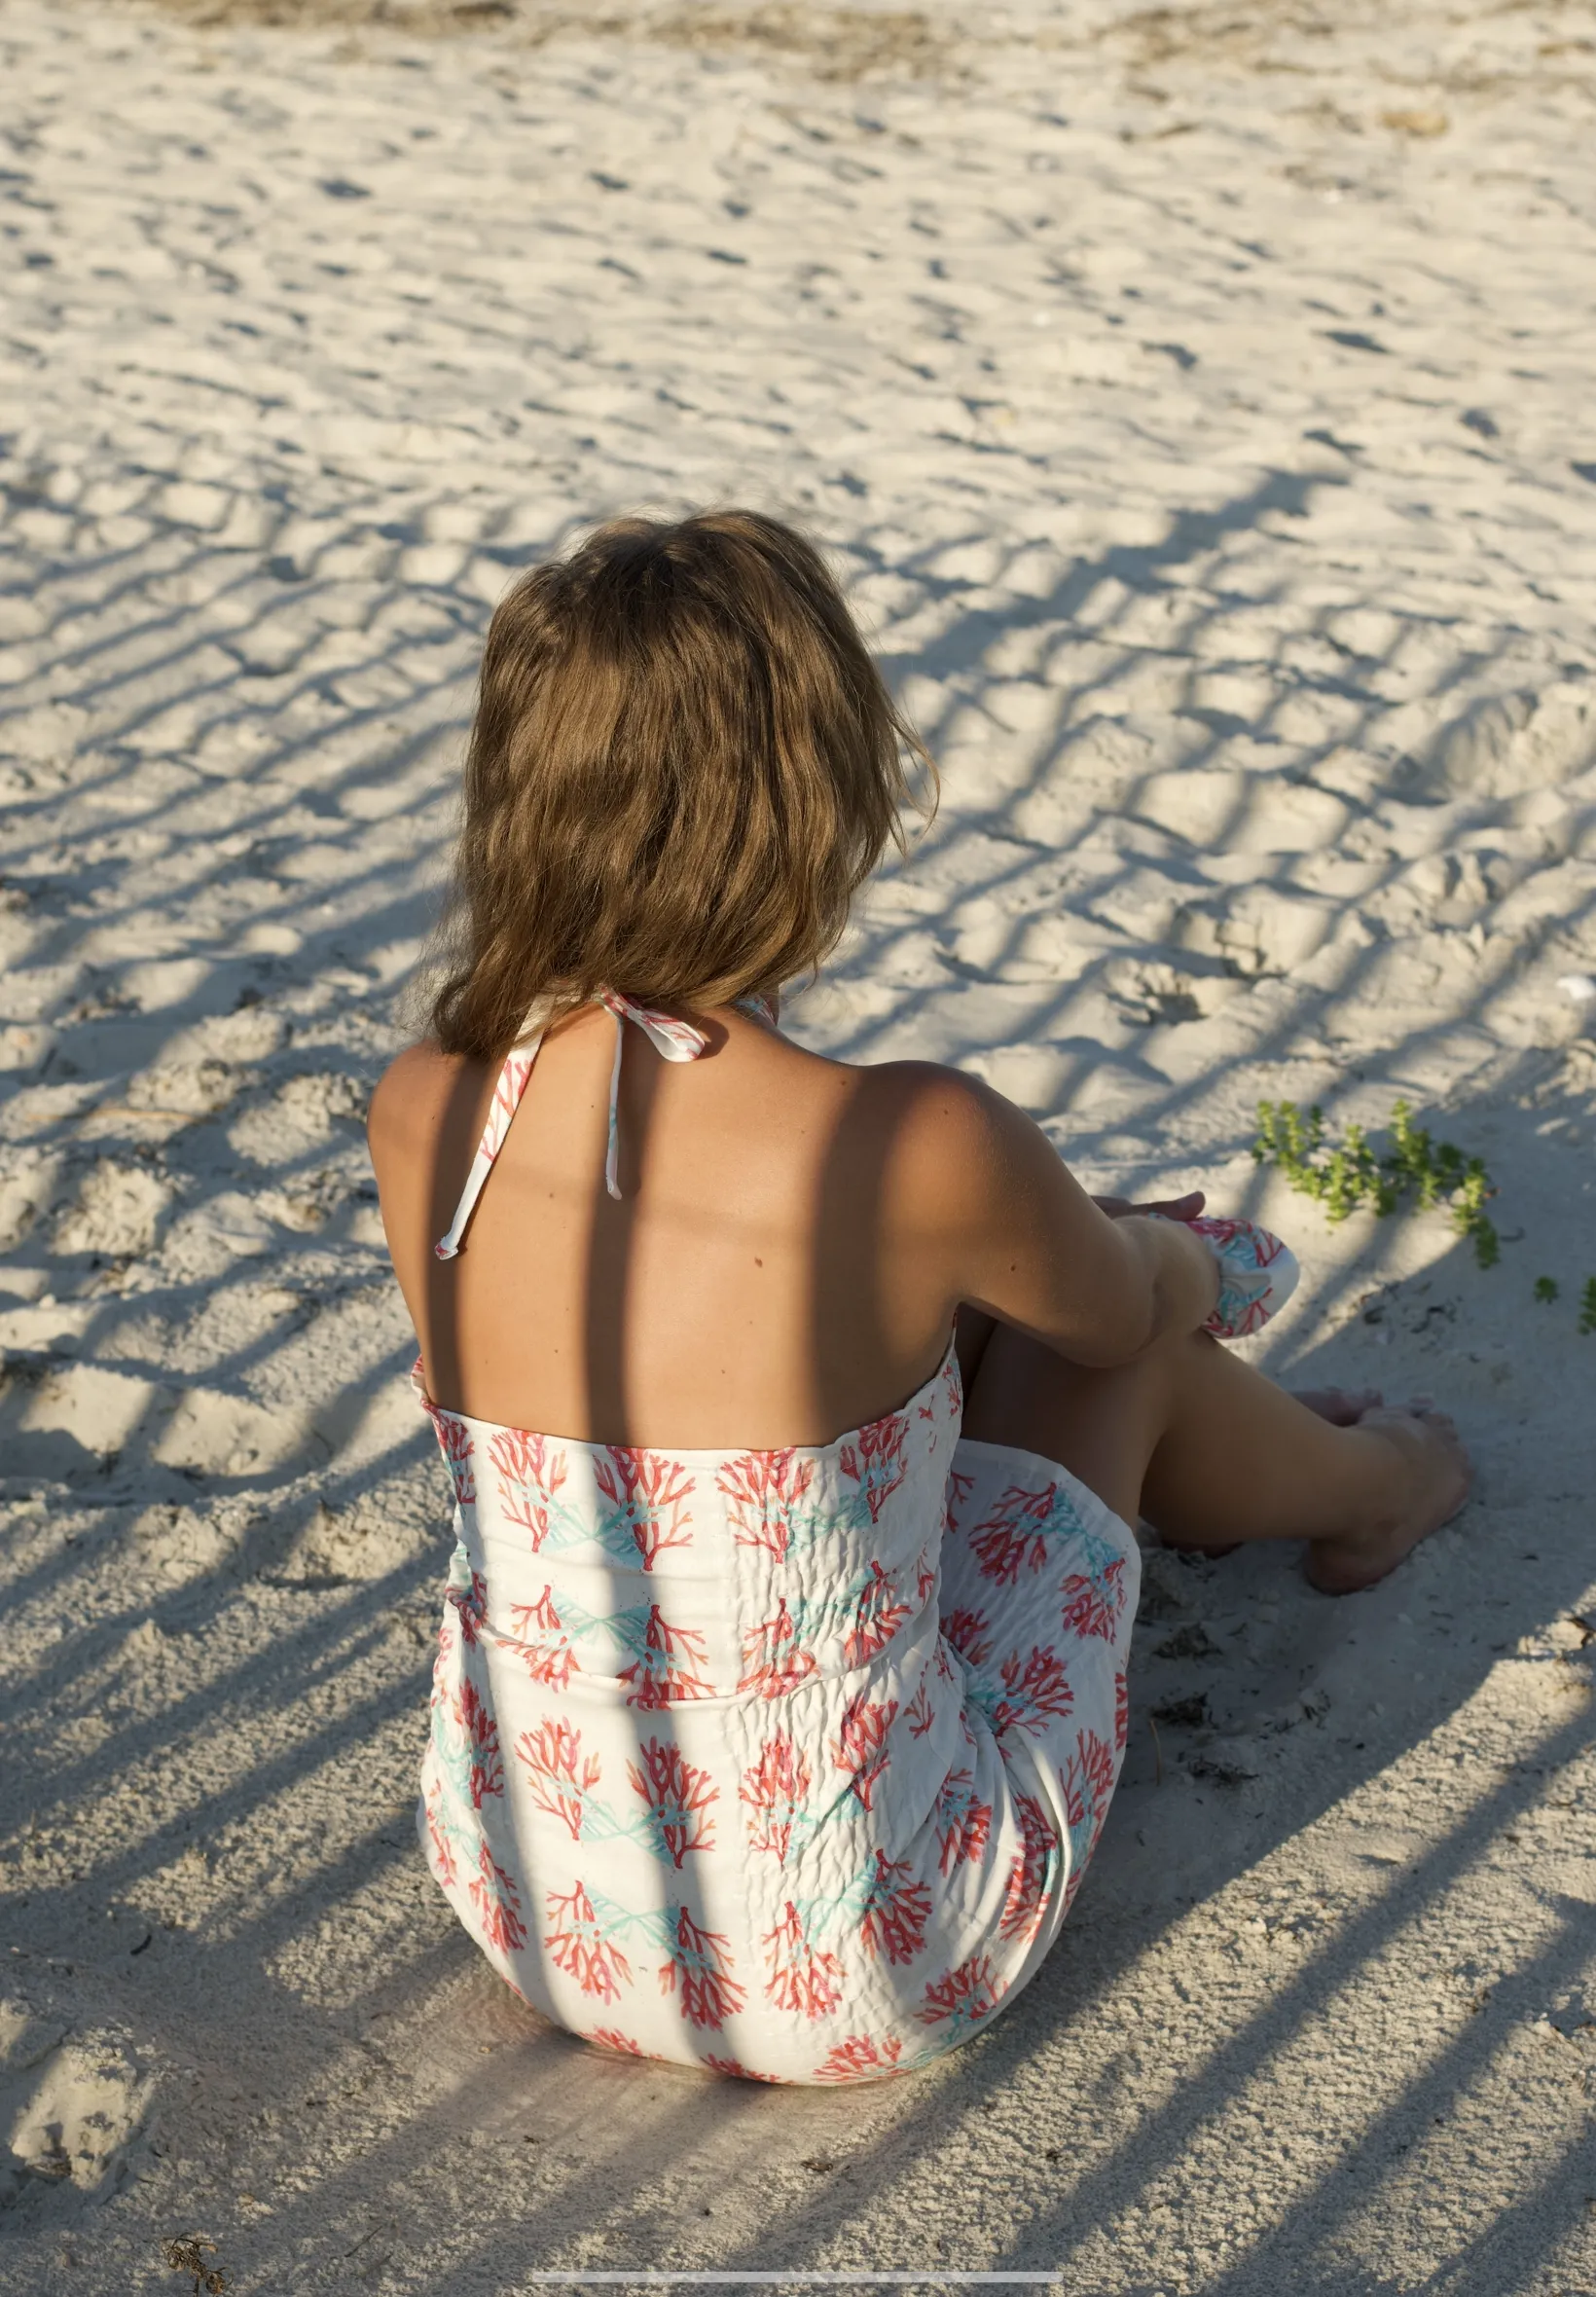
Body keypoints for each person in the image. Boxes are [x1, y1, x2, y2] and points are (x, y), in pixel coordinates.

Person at [365, 510, 1469, 2085]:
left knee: (920, 1345)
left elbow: (682, 1376)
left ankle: (1242, 1483)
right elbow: (1118, 1321)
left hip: (544, 1906)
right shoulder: (904, 1139)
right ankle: (1380, 1487)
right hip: (860, 1951)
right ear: (812, 808)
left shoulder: (425, 1111)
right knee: (1114, 1353)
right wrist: (1172, 1250)